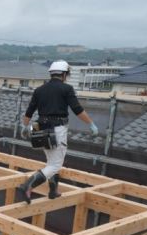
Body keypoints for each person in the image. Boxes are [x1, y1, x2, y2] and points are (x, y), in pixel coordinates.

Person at [17, 61, 99, 202]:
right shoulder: (66, 89)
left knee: (52, 162)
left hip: (41, 129)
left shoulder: (39, 90)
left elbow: (29, 111)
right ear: (64, 74)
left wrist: (24, 126)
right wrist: (90, 123)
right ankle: (27, 186)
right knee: (55, 165)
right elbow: (77, 109)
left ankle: (53, 191)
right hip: (57, 129)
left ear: (52, 73)